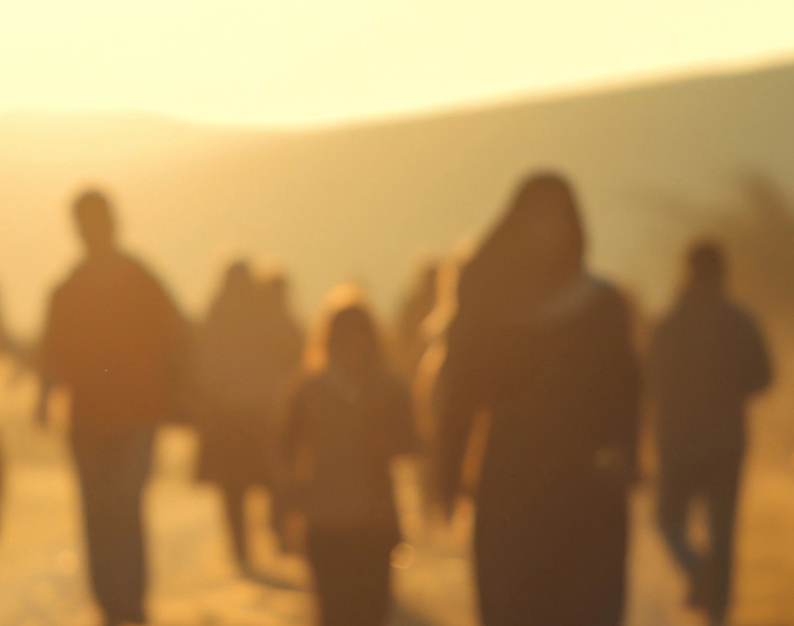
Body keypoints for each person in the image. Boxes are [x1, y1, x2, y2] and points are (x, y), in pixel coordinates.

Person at [426, 173, 641, 626]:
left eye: (556, 219)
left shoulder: (601, 306)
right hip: (511, 488)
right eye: (536, 219)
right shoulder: (489, 301)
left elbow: (627, 392)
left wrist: (625, 456)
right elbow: (461, 394)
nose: (547, 231)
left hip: (585, 494)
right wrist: (447, 470)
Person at [37, 190, 188, 626]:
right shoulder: (83, 285)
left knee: (114, 508)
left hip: (128, 417)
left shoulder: (123, 281)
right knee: (111, 509)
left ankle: (124, 602)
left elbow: (174, 339)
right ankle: (117, 602)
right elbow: (52, 351)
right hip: (100, 420)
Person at [647, 240, 774, 626]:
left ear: (685, 270)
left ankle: (697, 571)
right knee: (722, 532)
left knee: (669, 521)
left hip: (678, 442)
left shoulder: (669, 322)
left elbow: (647, 382)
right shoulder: (739, 320)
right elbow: (765, 377)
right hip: (724, 442)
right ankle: (717, 611)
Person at [279, 291, 418, 626]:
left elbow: (413, 442)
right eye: (345, 336)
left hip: (373, 521)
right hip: (327, 524)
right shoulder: (309, 389)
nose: (352, 344)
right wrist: (292, 501)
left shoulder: (389, 388)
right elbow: (283, 451)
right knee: (335, 612)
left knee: (370, 611)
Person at [191, 260, 304, 578]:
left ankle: (246, 546)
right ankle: (272, 536)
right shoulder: (263, 311)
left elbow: (201, 366)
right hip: (256, 413)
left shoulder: (218, 313)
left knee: (237, 488)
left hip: (239, 414)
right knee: (266, 480)